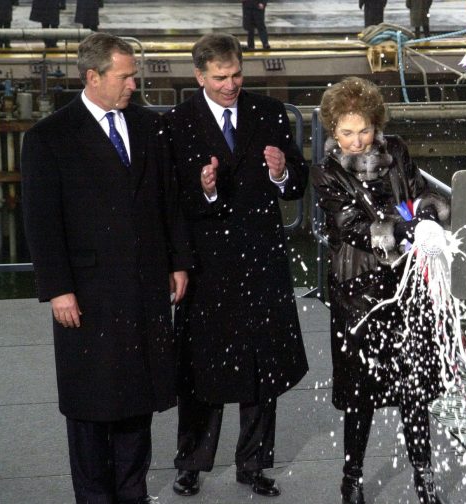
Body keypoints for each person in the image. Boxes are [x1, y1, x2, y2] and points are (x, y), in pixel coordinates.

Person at [21, 32, 192, 504]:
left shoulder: (150, 128)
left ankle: (132, 492)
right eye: (126, 76)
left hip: (143, 288)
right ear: (93, 77)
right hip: (88, 293)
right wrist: (57, 289)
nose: (134, 84)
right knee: (91, 403)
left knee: (139, 397)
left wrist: (178, 262)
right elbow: (41, 222)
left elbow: (169, 201)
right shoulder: (49, 137)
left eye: (134, 75)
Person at [162, 33, 309, 499]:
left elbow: (297, 184)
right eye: (221, 77)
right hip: (207, 264)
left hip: (262, 259)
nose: (231, 85)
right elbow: (169, 202)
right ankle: (191, 463)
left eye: (237, 75)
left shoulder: (268, 113)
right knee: (201, 367)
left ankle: (253, 465)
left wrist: (281, 171)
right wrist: (204, 188)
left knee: (261, 366)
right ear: (200, 76)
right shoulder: (177, 123)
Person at [311, 77, 450, 504]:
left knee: (415, 389)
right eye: (347, 132)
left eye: (365, 130)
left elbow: (423, 193)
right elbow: (350, 227)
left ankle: (425, 480)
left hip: (409, 287)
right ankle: (351, 480)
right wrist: (404, 228)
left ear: (377, 126)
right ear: (332, 130)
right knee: (360, 393)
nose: (357, 141)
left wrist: (428, 215)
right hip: (358, 293)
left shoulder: (399, 152)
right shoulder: (324, 172)